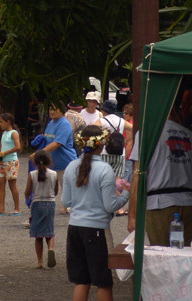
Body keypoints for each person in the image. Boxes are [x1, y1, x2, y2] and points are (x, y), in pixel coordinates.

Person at [62, 125, 130, 301]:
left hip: (74, 227)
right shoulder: (105, 169)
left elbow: (66, 202)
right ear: (102, 145)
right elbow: (110, 206)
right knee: (103, 281)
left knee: (81, 280)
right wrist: (126, 194)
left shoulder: (71, 167)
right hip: (97, 229)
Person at [127, 100, 192, 246]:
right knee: (185, 260)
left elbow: (137, 175)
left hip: (159, 206)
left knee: (160, 259)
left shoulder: (147, 134)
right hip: (187, 204)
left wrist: (132, 216)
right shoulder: (191, 136)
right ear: (174, 111)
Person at [30, 102, 77, 215]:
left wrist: (39, 153)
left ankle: (72, 211)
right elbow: (47, 140)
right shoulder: (51, 123)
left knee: (67, 187)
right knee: (49, 187)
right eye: (50, 109)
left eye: (54, 109)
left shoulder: (64, 124)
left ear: (62, 111)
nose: (51, 112)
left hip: (66, 162)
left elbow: (57, 144)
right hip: (52, 163)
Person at [25, 150, 57, 269]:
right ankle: (51, 249)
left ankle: (40, 261)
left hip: (37, 204)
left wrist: (28, 197)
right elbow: (56, 191)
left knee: (38, 235)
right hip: (50, 203)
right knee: (50, 231)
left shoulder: (32, 174)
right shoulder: (54, 174)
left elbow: (27, 192)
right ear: (49, 161)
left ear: (35, 162)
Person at [93, 100, 133, 179]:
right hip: (120, 153)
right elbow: (134, 129)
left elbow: (91, 129)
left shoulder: (102, 121)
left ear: (104, 110)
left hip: (104, 152)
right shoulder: (121, 121)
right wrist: (126, 140)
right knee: (117, 181)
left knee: (103, 178)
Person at [0, 112, 21, 216]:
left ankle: (17, 208)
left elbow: (18, 147)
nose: (0, 124)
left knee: (12, 185)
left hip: (11, 162)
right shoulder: (4, 133)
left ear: (8, 122)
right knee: (0, 185)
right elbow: (1, 145)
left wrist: (5, 153)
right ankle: (1, 208)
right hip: (2, 162)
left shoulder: (13, 133)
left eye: (1, 122)